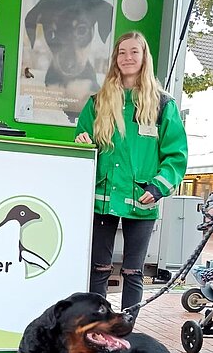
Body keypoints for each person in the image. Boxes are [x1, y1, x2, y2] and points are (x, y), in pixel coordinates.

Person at [75, 31, 188, 315]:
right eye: (122, 52)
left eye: (134, 52)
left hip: (142, 197)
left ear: (144, 57)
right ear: (115, 59)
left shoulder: (163, 104)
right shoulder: (98, 102)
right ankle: (96, 328)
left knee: (133, 272)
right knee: (99, 269)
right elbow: (81, 139)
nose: (127, 57)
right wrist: (81, 141)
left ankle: (126, 335)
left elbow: (176, 154)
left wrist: (159, 186)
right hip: (104, 196)